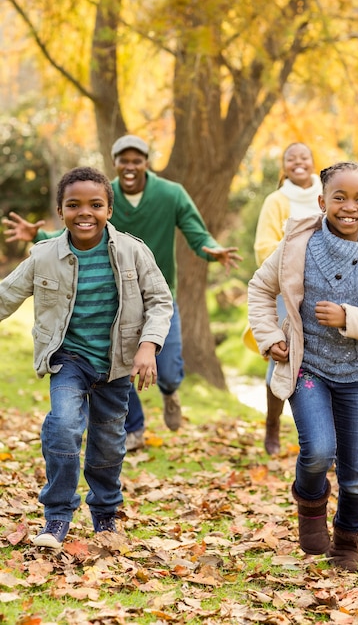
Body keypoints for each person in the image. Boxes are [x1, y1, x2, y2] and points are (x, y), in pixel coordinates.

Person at [2, 135, 242, 451]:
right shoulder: (99, 192)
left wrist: (211, 250)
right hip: (118, 303)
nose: (130, 166)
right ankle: (134, 428)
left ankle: (170, 393)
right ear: (115, 163)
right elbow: (80, 230)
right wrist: (41, 235)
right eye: (123, 160)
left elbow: (195, 232)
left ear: (146, 162)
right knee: (120, 358)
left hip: (158, 294)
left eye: (136, 160)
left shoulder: (170, 194)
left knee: (167, 371)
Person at [248, 161, 358, 571]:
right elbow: (259, 288)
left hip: (355, 374)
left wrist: (348, 318)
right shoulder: (297, 245)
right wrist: (271, 338)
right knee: (319, 450)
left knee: (357, 475)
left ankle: (346, 542)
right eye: (339, 197)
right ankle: (309, 505)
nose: (349, 206)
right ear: (322, 201)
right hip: (308, 369)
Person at [0, 167, 173, 548]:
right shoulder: (44, 256)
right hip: (69, 359)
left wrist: (148, 345)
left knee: (108, 445)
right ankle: (57, 517)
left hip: (116, 362)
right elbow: (6, 295)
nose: (85, 212)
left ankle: (105, 516)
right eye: (73, 204)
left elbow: (160, 301)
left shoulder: (132, 250)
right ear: (60, 211)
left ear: (109, 209)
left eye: (95, 204)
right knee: (62, 427)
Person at [253, 142, 322, 456]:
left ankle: (322, 436)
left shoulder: (327, 192)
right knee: (283, 355)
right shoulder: (277, 200)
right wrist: (296, 263)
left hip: (325, 289)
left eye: (303, 157)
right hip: (287, 287)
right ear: (284, 166)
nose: (298, 162)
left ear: (312, 162)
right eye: (291, 158)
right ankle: (273, 425)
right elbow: (263, 246)